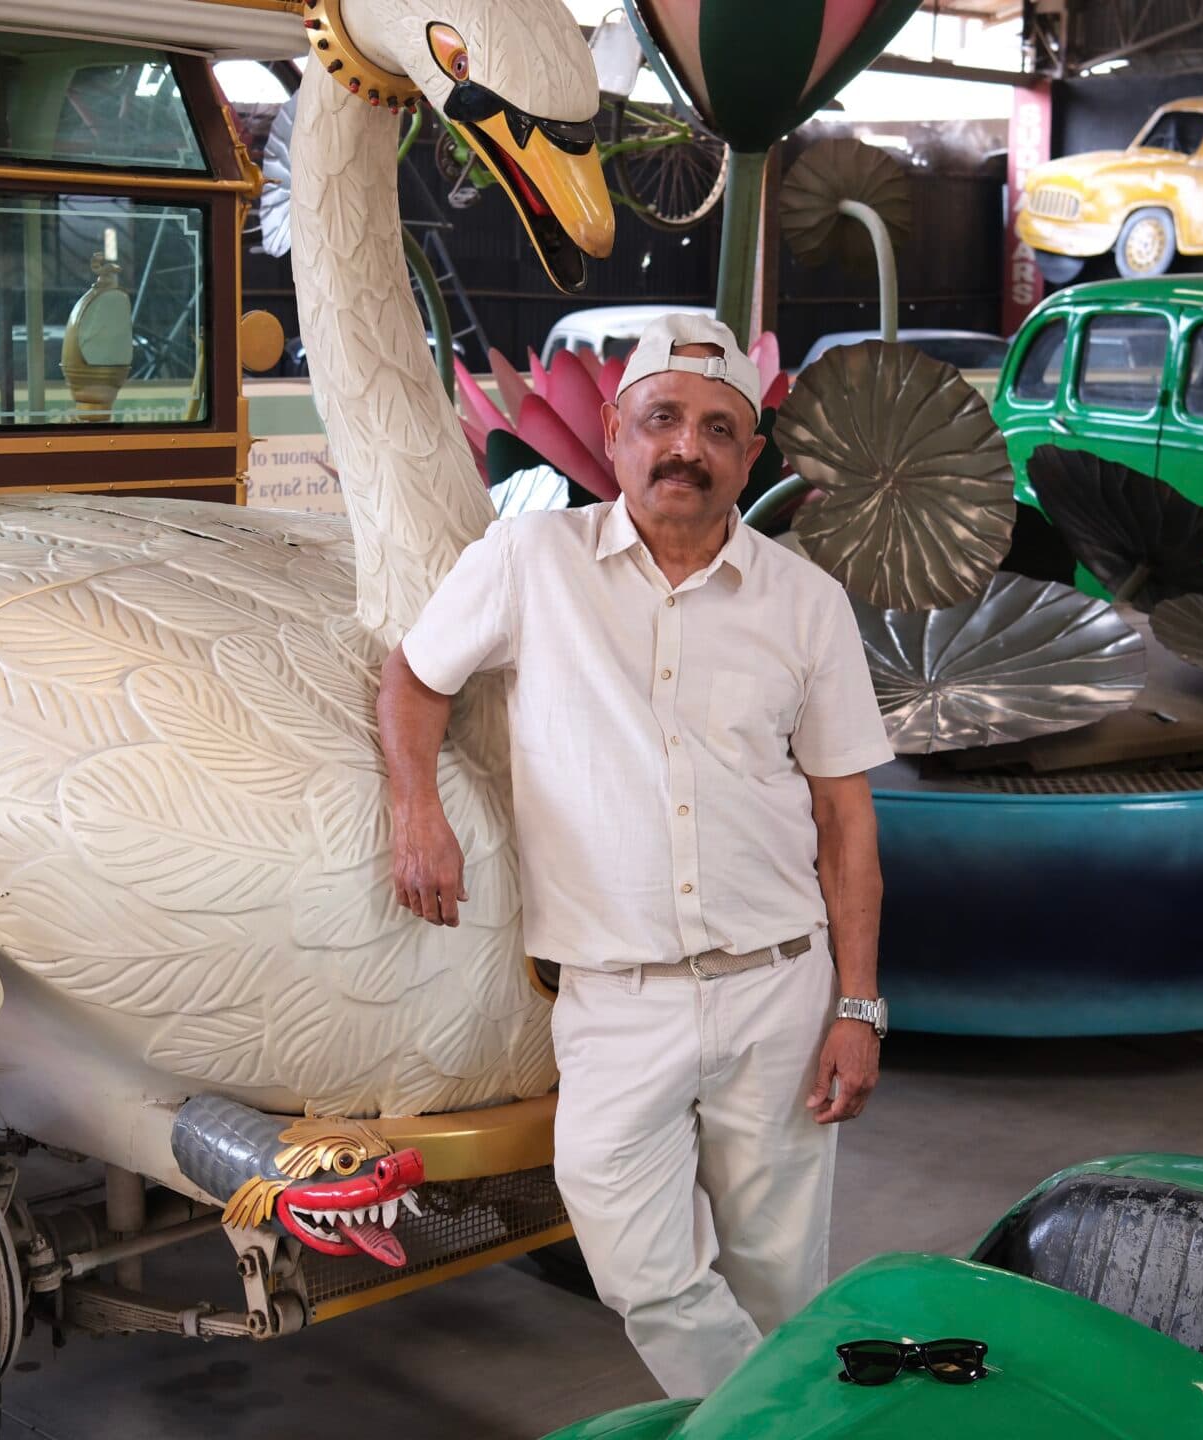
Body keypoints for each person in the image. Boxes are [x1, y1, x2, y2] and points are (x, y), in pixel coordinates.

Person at [375, 312, 893, 1398]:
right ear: (615, 432)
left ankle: (762, 1424)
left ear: (749, 457)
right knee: (641, 1269)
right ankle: (781, 1424)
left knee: (778, 1282)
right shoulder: (532, 561)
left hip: (777, 989)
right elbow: (416, 678)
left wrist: (857, 1006)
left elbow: (846, 821)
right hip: (615, 997)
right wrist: (415, 807)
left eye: (718, 429)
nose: (686, 447)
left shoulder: (805, 603)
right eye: (662, 418)